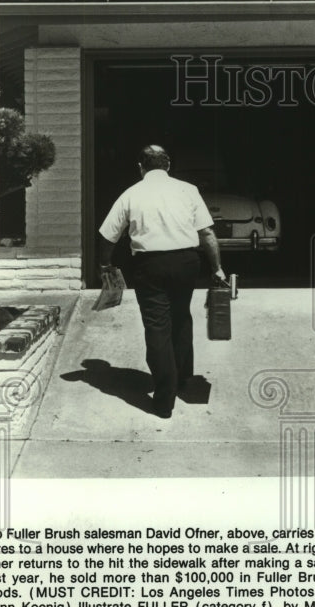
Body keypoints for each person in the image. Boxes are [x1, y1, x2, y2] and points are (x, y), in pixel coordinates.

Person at [98, 145, 228, 418]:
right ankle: (182, 380)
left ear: (140, 167)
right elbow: (206, 233)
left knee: (158, 326)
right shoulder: (188, 190)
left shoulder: (131, 194)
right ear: (168, 165)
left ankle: (164, 399)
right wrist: (216, 269)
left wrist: (106, 264)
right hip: (186, 263)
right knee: (181, 317)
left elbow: (108, 236)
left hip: (150, 265)